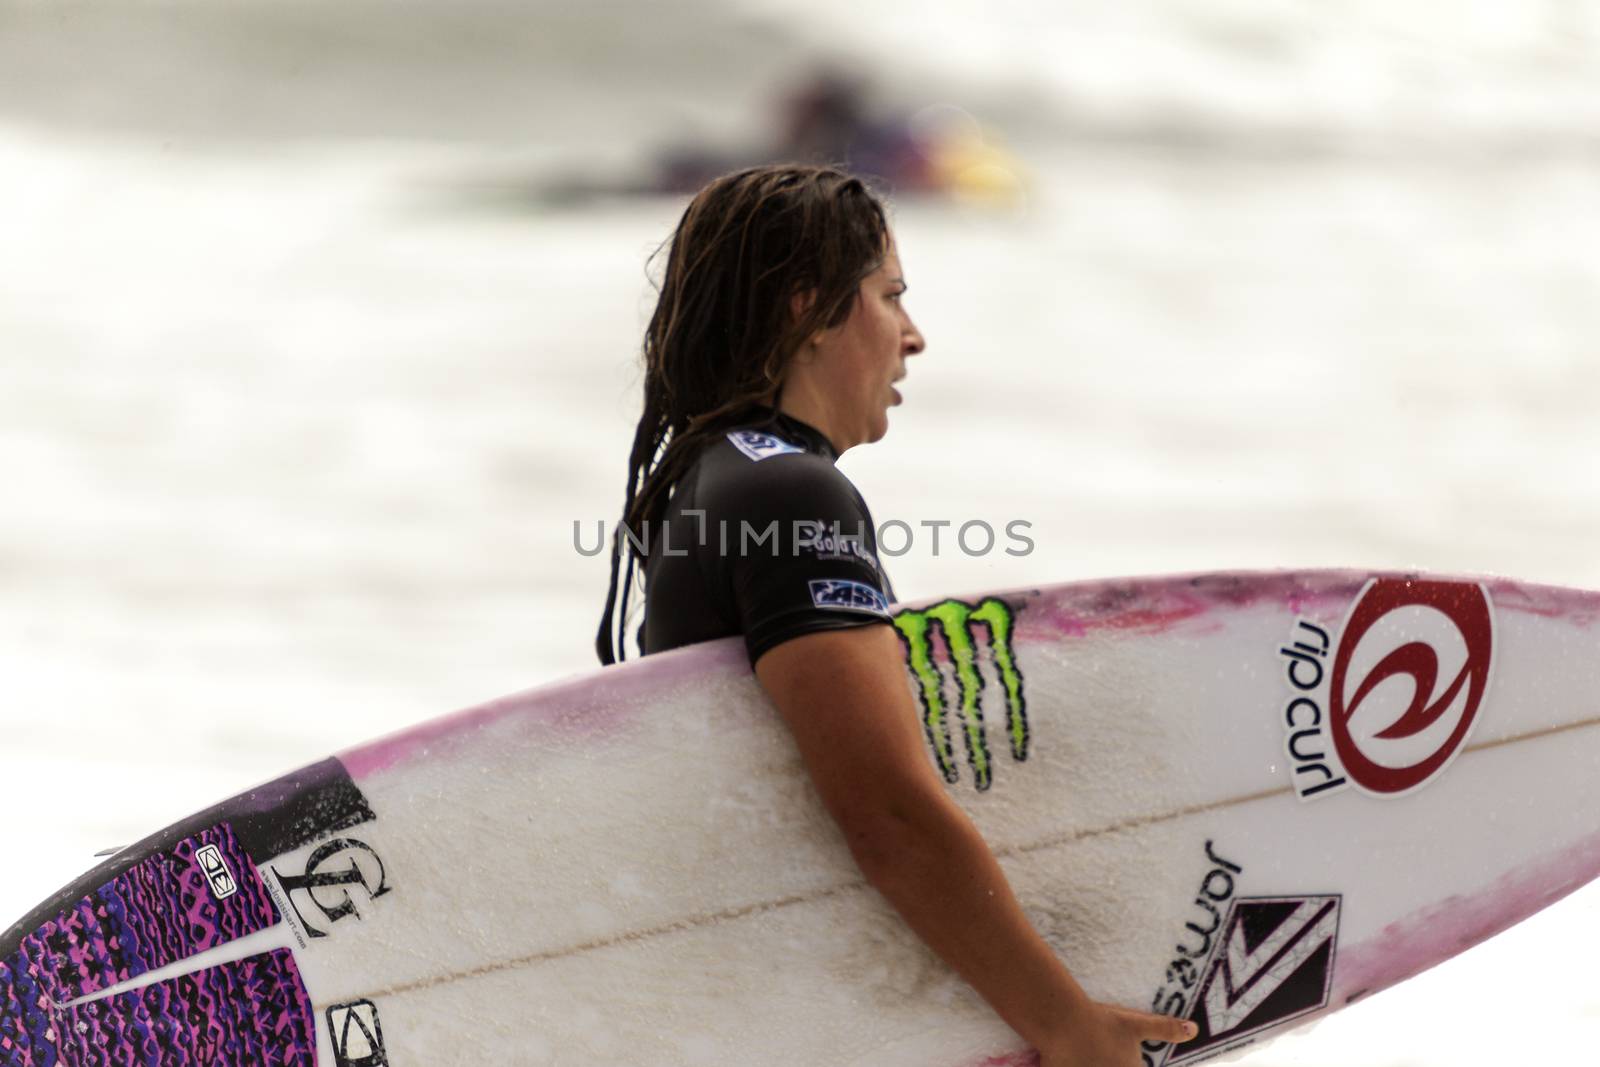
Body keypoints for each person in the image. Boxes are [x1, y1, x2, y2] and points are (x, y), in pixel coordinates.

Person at [595, 163, 1195, 1067]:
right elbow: (886, 814)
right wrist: (1065, 1024)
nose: (914, 336)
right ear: (810, 311)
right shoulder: (790, 492)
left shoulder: (708, 476)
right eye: (890, 295)